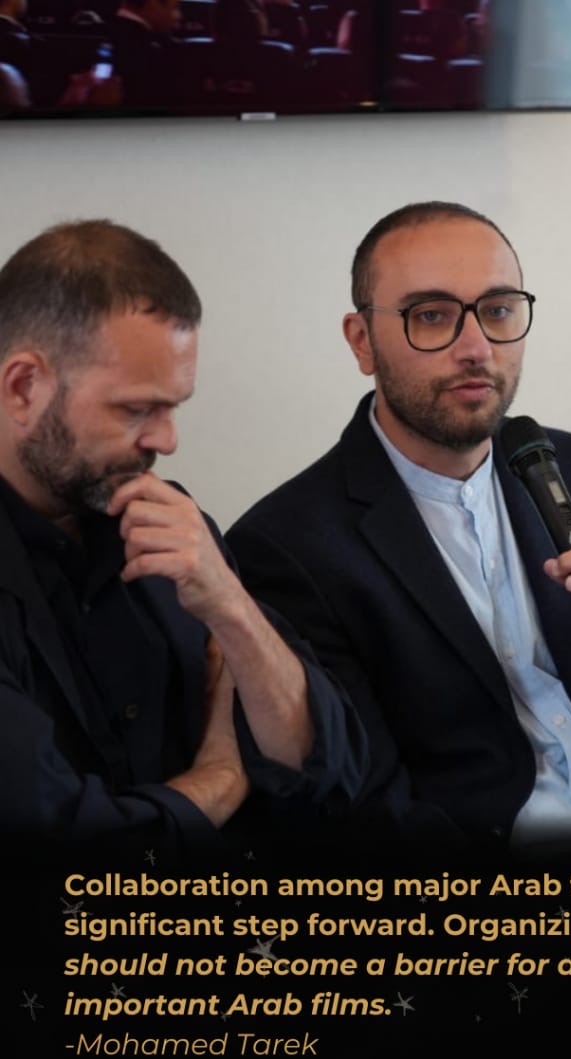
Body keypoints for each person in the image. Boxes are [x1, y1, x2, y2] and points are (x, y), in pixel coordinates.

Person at [228, 200, 571, 847]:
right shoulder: (289, 546)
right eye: (431, 316)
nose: (476, 349)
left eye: (498, 310)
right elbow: (365, 805)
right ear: (361, 341)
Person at [0, 219, 366, 852]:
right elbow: (51, 844)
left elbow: (328, 772)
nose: (167, 441)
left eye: (174, 407)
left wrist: (232, 609)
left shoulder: (170, 522)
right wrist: (221, 780)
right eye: (136, 409)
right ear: (24, 387)